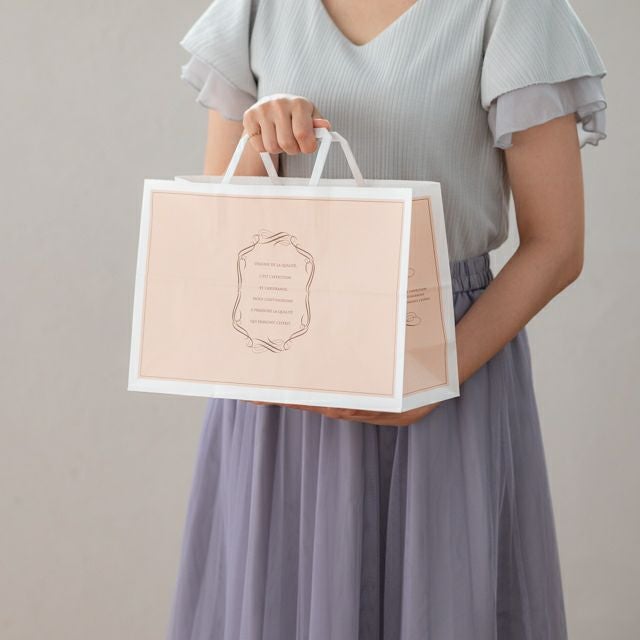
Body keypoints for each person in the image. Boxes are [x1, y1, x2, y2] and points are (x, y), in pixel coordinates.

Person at [167, 0, 608, 638]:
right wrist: (262, 141)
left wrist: (435, 374)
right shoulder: (255, 11)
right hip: (287, 386)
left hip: (448, 367)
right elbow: (226, 233)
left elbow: (557, 245)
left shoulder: (512, 12)